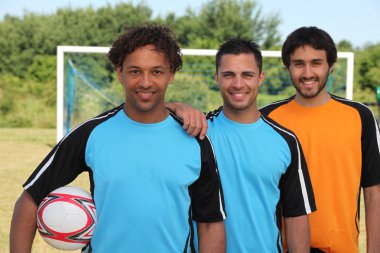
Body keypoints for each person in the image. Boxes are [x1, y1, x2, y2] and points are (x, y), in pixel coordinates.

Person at [10, 23, 226, 253]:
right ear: (119, 72)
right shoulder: (91, 134)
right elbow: (30, 199)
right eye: (135, 71)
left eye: (156, 71)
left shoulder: (195, 138)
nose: (145, 82)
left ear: (171, 74)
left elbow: (210, 223)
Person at [167, 38, 316, 253]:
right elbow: (140, 112)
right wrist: (174, 106)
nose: (238, 84)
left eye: (247, 75)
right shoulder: (197, 132)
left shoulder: (285, 141)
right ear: (216, 77)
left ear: (260, 78)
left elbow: (296, 217)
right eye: (228, 75)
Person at [260, 26, 380, 253]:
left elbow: (374, 191)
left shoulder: (360, 116)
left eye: (316, 63)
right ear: (287, 67)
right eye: (298, 64)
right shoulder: (266, 119)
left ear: (331, 66)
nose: (307, 73)